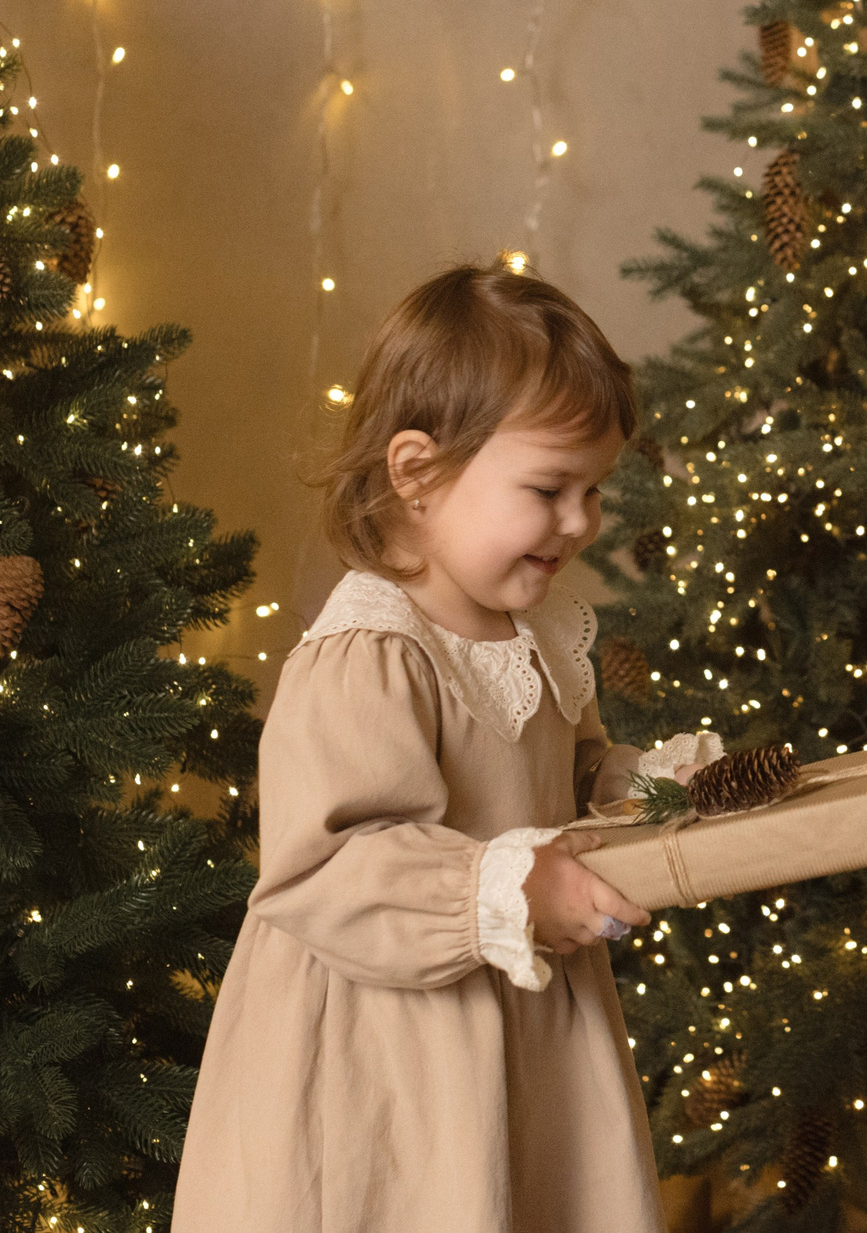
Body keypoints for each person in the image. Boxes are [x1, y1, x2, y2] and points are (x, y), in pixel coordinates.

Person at [176, 263, 711, 1233]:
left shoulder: (541, 632)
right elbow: (328, 865)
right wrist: (508, 891)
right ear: (417, 472)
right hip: (394, 1044)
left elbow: (576, 774)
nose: (581, 522)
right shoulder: (369, 655)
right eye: (550, 488)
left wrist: (663, 791)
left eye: (594, 490)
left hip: (526, 1014)